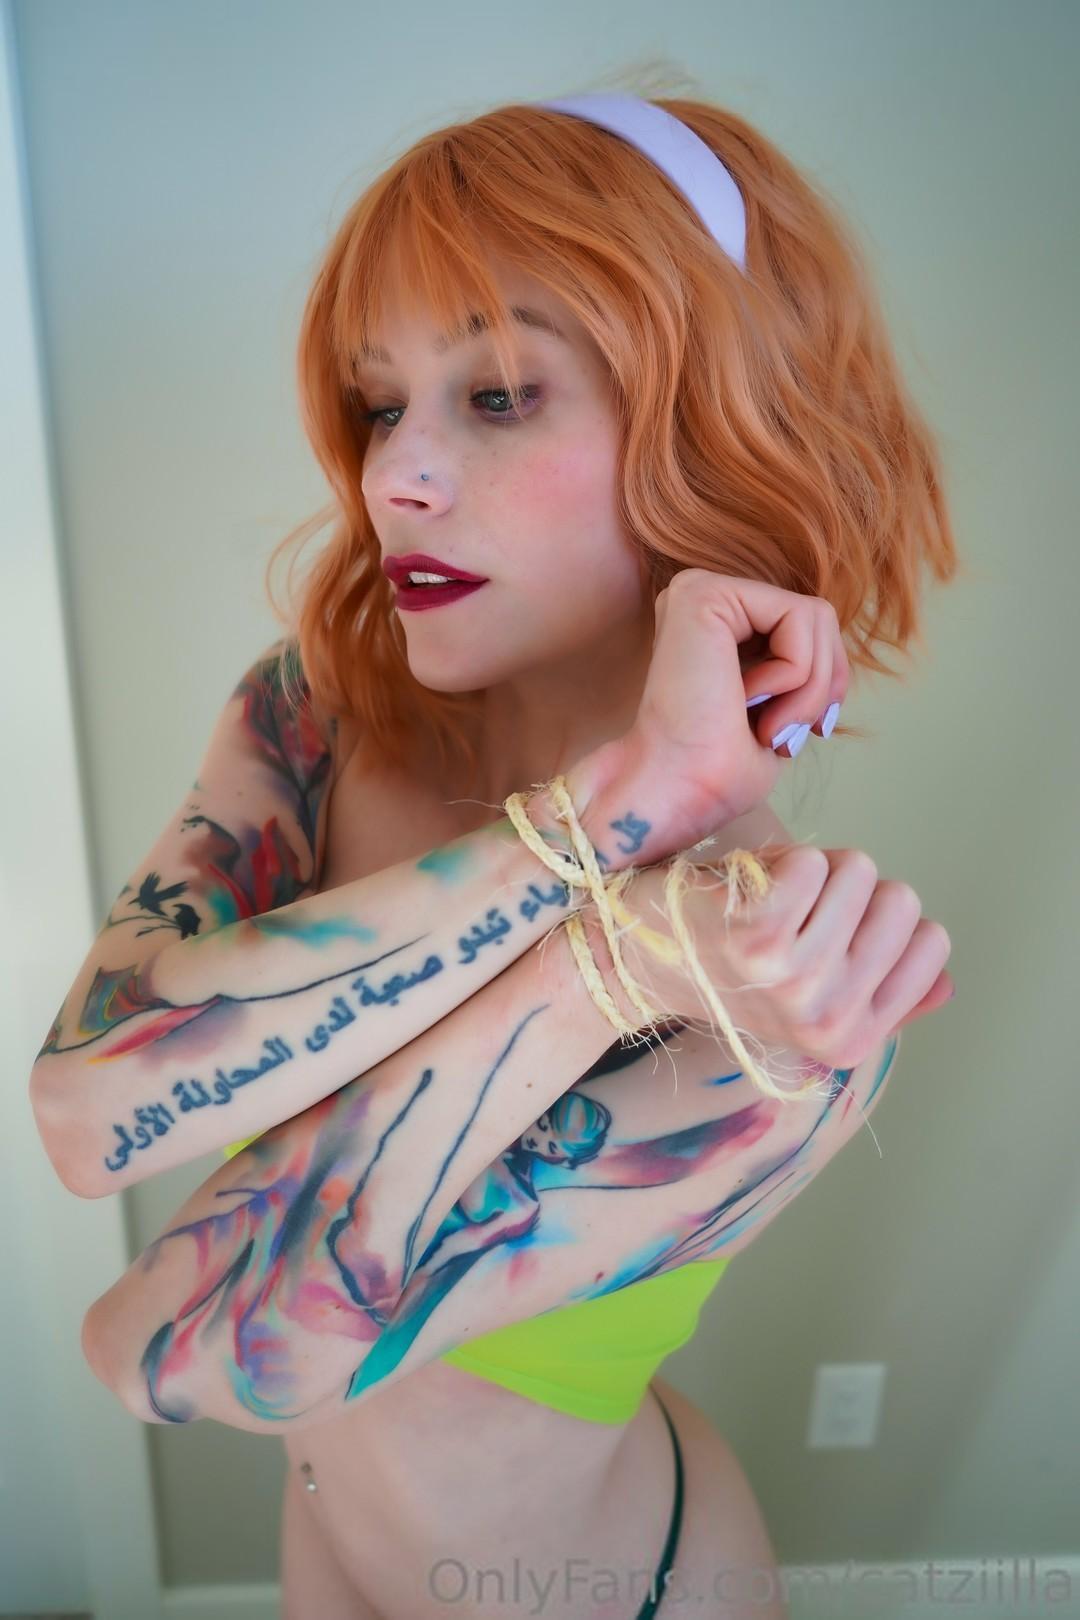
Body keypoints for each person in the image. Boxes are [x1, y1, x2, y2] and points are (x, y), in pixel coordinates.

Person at [45, 80, 959, 1620]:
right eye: (379, 402)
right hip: (327, 1551)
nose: (393, 474)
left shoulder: (787, 985)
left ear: (705, 427)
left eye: (500, 394)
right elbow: (87, 1111)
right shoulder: (314, 716)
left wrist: (620, 966)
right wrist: (610, 821)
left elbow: (181, 1352)